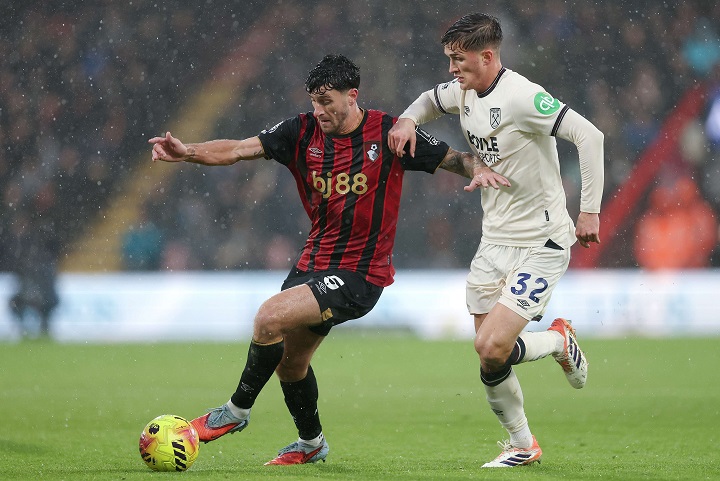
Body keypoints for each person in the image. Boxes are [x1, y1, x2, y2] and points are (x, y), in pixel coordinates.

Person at [149, 54, 507, 466]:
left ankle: (235, 411)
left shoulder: (389, 132)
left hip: (361, 273)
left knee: (268, 318)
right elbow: (238, 149)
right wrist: (188, 151)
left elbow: (453, 159)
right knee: (290, 363)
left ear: (352, 96)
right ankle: (311, 443)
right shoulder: (300, 131)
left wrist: (479, 167)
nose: (318, 110)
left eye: (326, 101)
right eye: (313, 102)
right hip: (313, 264)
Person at [388, 13, 604, 467]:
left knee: (491, 346)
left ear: (487, 57)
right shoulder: (464, 90)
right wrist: (407, 120)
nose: (451, 69)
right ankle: (523, 445)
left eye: (458, 60)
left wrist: (589, 210)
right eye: (449, 59)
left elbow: (589, 135)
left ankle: (558, 342)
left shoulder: (523, 97)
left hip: (542, 241)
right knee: (490, 357)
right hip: (493, 242)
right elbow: (428, 100)